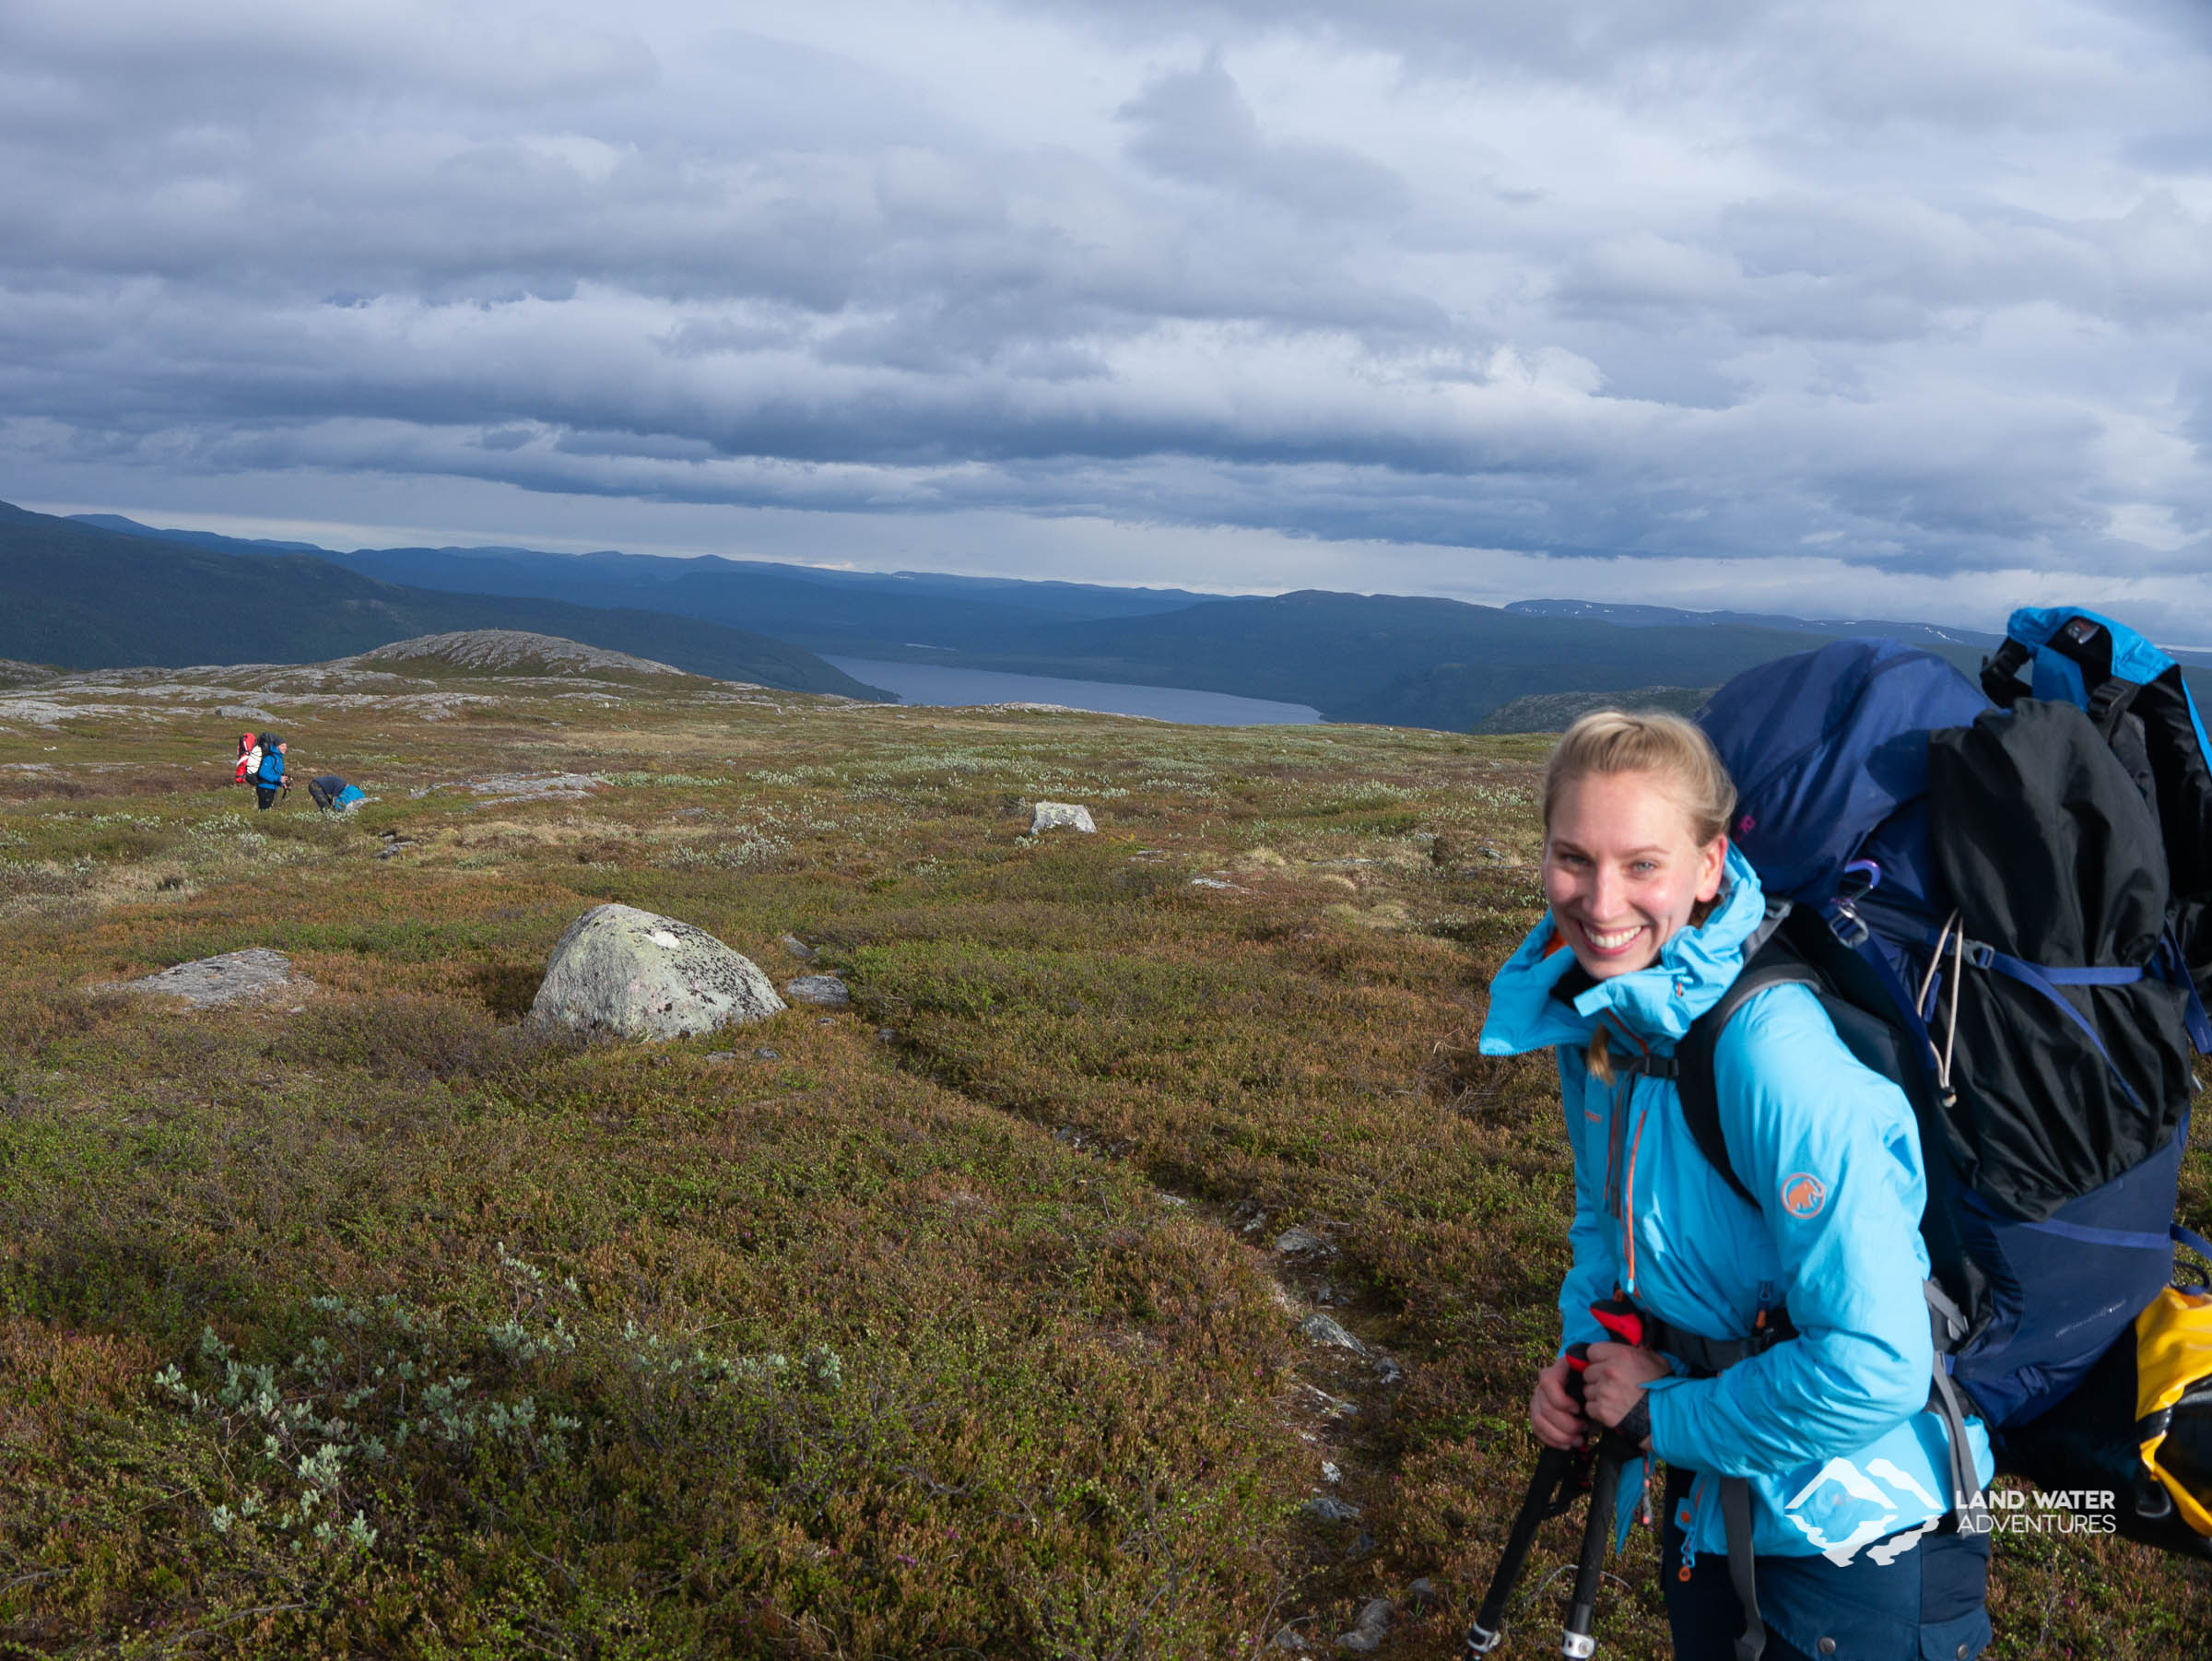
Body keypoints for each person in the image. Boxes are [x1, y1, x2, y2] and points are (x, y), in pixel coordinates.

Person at [1478, 711, 1994, 1661]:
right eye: (1573, 858)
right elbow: (1607, 1228)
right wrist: (1587, 1364)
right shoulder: (1608, 1018)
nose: (1600, 900)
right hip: (1722, 1497)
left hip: (1860, 1544)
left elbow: (1876, 1362)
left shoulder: (1771, 1055)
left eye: (1642, 864)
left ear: (1710, 866)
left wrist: (1660, 1414)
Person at [252, 736, 288, 810]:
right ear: (277, 747)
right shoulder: (269, 758)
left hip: (270, 788)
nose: (285, 748)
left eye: (285, 746)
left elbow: (275, 773)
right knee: (264, 811)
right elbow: (262, 773)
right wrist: (279, 778)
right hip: (264, 788)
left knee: (266, 810)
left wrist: (282, 784)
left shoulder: (278, 758)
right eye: (282, 746)